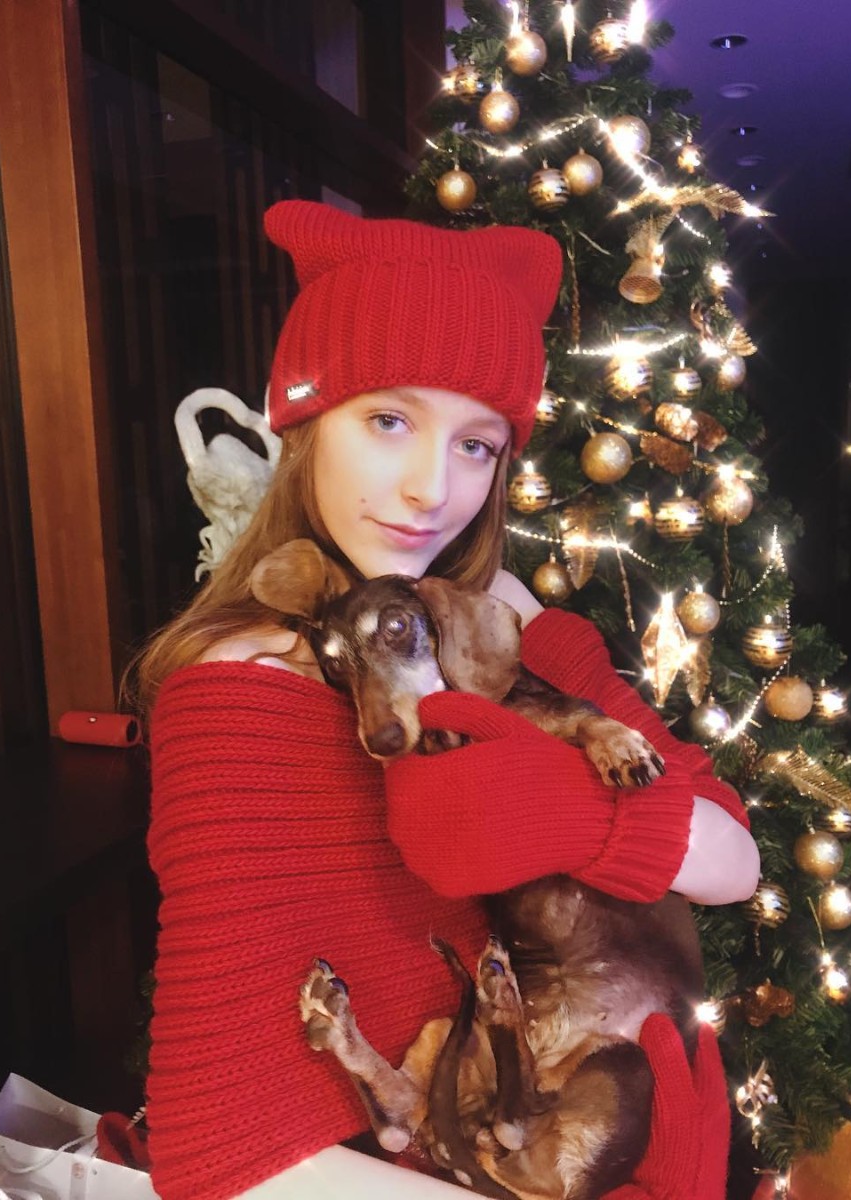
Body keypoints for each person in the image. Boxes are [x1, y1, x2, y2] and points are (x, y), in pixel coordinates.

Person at [133, 199, 760, 1200]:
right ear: (303, 425)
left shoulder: (522, 626)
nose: (433, 488)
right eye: (389, 421)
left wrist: (572, 810)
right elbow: (221, 1153)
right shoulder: (240, 691)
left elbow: (733, 857)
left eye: (477, 445)